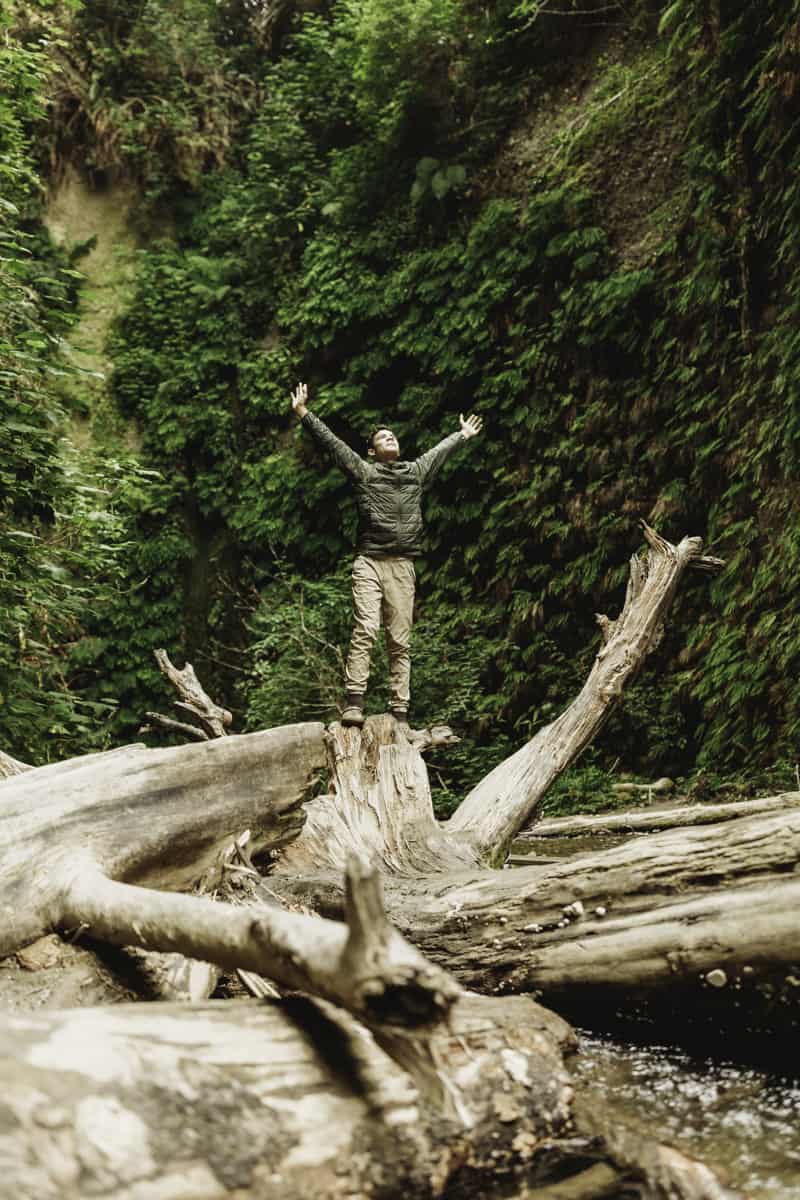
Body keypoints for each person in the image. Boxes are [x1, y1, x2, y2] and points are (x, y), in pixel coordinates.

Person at [291, 381, 483, 726]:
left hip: (402, 565)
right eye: (382, 438)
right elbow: (333, 444)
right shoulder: (364, 472)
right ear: (371, 451)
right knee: (365, 628)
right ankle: (354, 703)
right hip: (369, 560)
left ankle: (400, 712)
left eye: (392, 436)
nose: (390, 439)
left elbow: (439, 452)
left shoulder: (415, 473)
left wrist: (463, 435)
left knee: (400, 640)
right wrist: (304, 413)